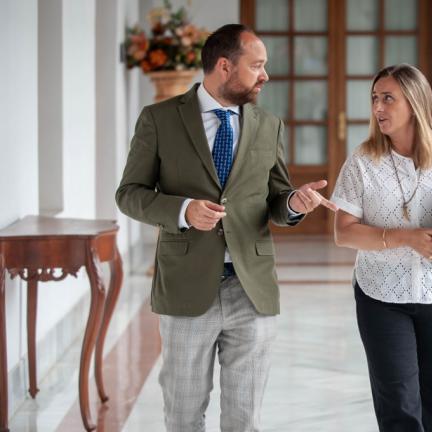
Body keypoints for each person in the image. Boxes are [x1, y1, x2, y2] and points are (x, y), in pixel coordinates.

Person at [116, 24, 337, 432]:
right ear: (224, 66)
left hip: (250, 288)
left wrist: (295, 203)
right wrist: (182, 210)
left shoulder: (268, 125)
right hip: (186, 288)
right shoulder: (159, 119)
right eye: (257, 66)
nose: (265, 76)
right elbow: (129, 193)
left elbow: (277, 197)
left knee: (244, 419)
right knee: (183, 415)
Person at [332, 63, 432, 432]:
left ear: (415, 102)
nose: (378, 107)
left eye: (388, 98)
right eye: (375, 98)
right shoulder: (362, 161)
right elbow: (343, 232)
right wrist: (405, 237)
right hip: (381, 299)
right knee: (399, 407)